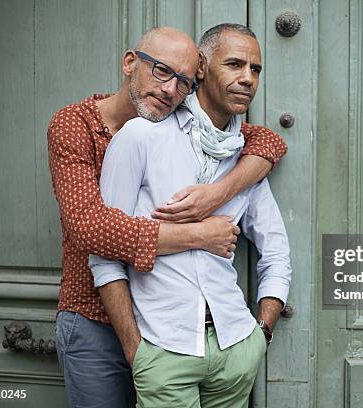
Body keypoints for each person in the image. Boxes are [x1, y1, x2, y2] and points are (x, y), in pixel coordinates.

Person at [47, 26, 287, 408]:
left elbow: (264, 140)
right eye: (161, 71)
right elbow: (89, 228)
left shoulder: (186, 132)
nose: (170, 89)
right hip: (93, 316)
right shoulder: (80, 126)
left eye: (184, 81)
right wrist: (201, 234)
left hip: (172, 327)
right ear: (130, 63)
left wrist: (219, 192)